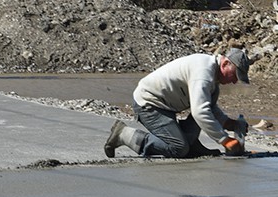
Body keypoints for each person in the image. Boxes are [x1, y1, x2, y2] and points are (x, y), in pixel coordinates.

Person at [105, 48, 252, 159]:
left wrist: (231, 124)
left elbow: (210, 109)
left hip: (166, 106)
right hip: (149, 103)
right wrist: (224, 139)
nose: (234, 81)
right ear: (225, 63)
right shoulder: (204, 73)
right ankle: (124, 135)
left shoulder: (213, 79)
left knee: (205, 108)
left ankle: (192, 144)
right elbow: (200, 112)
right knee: (179, 148)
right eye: (234, 75)